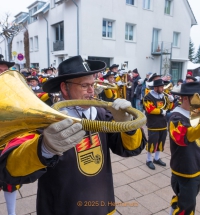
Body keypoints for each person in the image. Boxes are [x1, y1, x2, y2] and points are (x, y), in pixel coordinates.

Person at [0, 56, 146, 215]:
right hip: (62, 208)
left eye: (93, 84)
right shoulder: (46, 121)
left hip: (102, 205)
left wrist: (127, 125)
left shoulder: (102, 114)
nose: (92, 91)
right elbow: (9, 168)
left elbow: (129, 149)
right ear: (64, 88)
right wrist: (44, 148)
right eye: (85, 85)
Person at [168, 82, 200, 215]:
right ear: (185, 99)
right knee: (187, 207)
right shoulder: (175, 117)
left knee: (185, 200)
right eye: (196, 98)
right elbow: (182, 137)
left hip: (195, 165)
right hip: (185, 169)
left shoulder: (195, 112)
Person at [0, 54, 20, 215]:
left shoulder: (11, 90)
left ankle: (11, 213)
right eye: (0, 70)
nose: (3, 74)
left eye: (6, 71)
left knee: (10, 179)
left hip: (8, 140)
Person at [144, 79, 174, 170]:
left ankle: (156, 158)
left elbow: (169, 108)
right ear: (156, 88)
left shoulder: (164, 96)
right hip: (153, 124)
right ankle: (148, 160)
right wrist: (161, 111)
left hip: (163, 123)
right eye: (161, 87)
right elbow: (149, 109)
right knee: (152, 142)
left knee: (161, 141)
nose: (163, 88)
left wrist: (171, 101)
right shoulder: (148, 96)